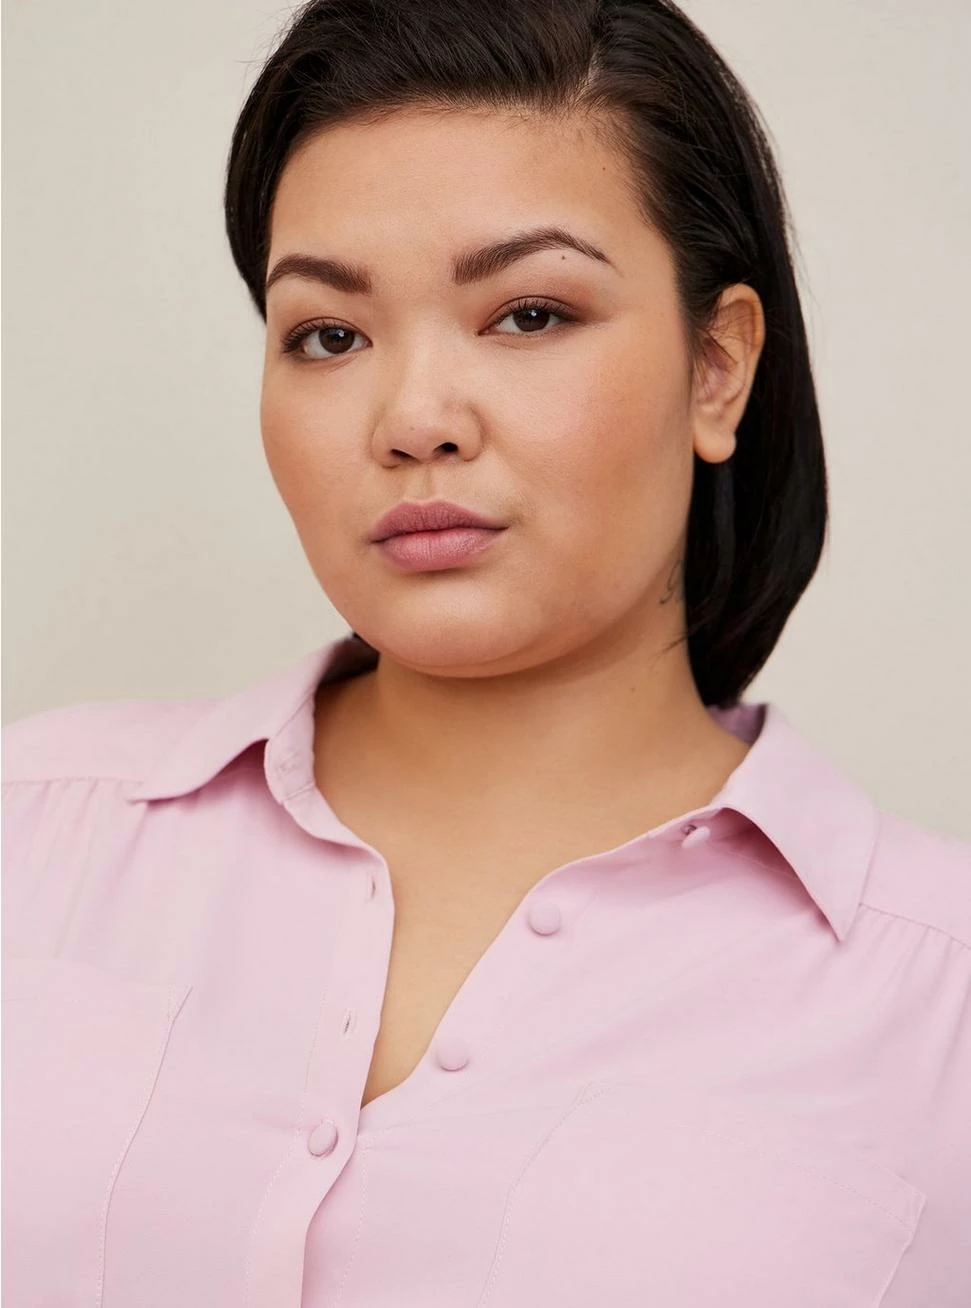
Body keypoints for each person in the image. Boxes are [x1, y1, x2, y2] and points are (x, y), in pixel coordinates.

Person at [3, 0, 969, 1303]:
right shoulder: (29, 833)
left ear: (716, 367)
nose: (414, 419)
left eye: (527, 314)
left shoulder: (940, 998)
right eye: (329, 335)